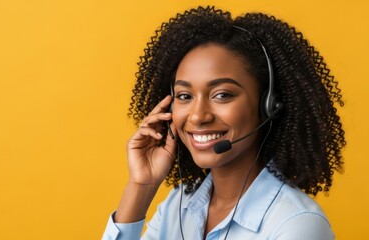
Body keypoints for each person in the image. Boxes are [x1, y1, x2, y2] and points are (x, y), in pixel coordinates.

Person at [102, 6, 345, 240]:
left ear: (268, 105)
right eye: (185, 96)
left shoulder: (296, 224)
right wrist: (141, 186)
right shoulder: (180, 204)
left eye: (222, 95)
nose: (198, 116)